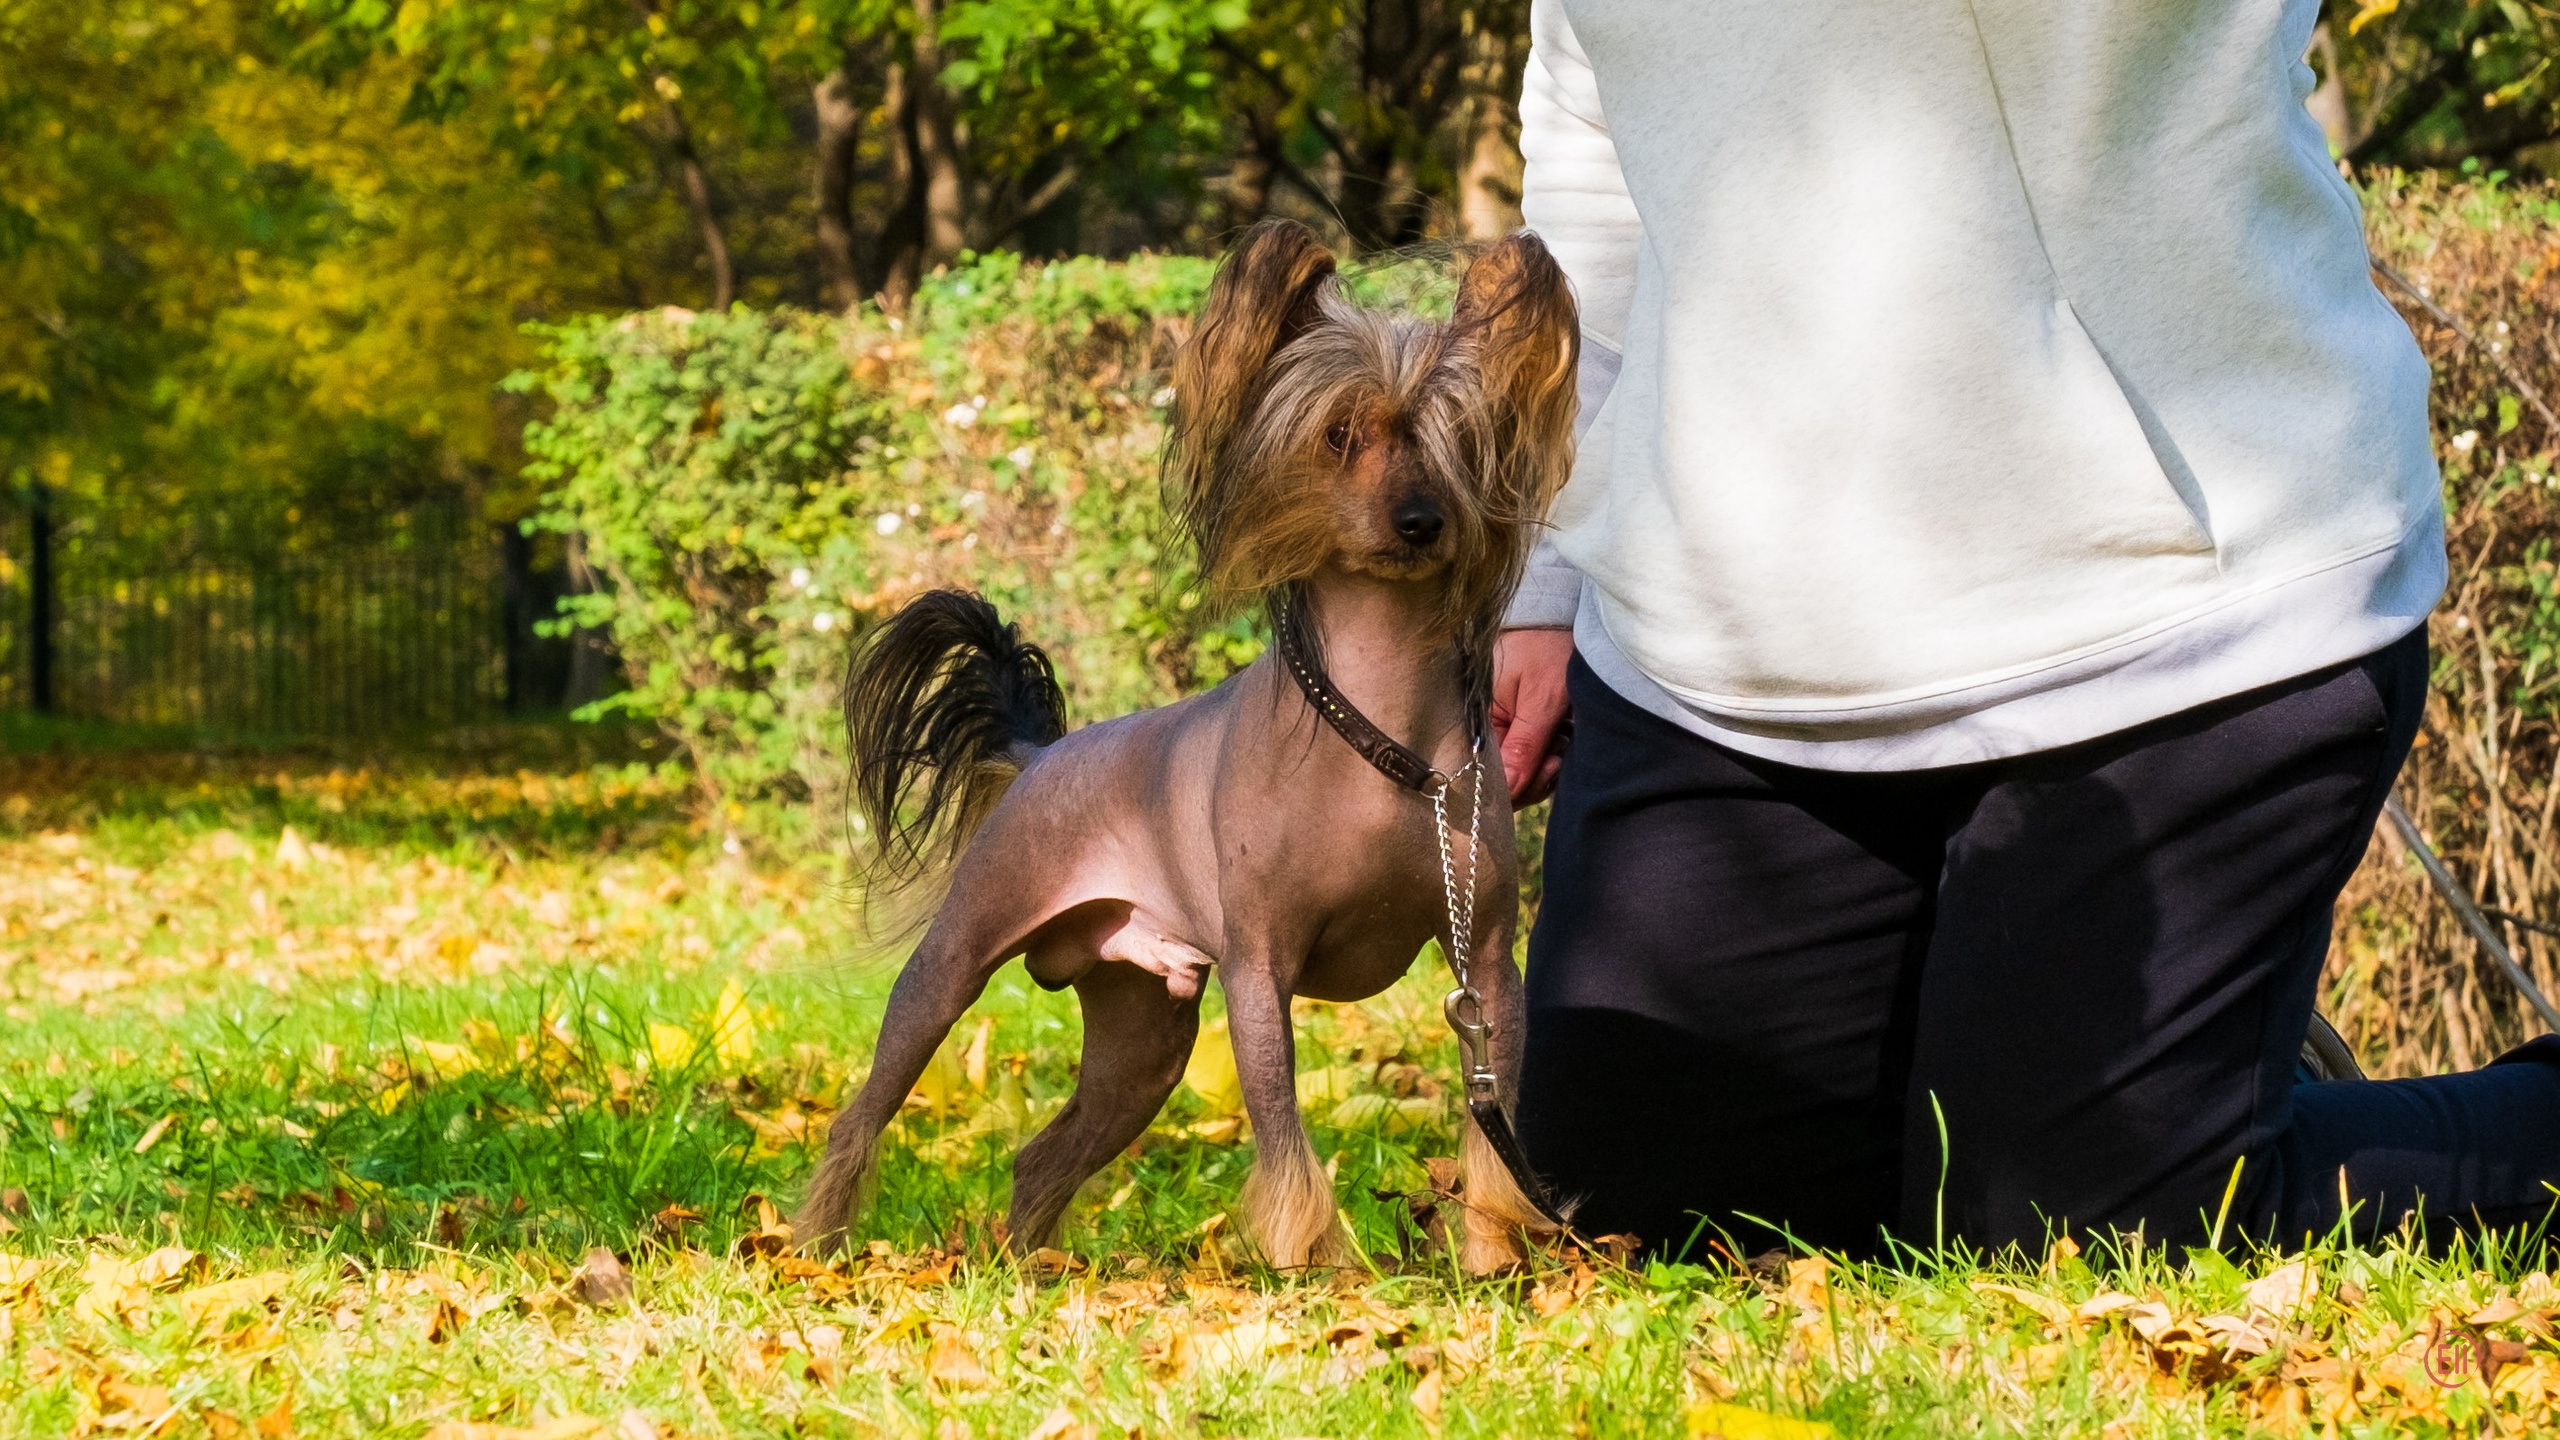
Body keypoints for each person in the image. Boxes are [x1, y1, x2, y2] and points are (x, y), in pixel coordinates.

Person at [1491, 0, 2560, 1257]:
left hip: (2168, 620)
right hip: (1719, 650)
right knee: (1643, 1226)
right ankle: (2135, 1094)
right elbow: (1597, 141)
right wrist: (1544, 572)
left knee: (2057, 1246)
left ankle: (2186, 1117)